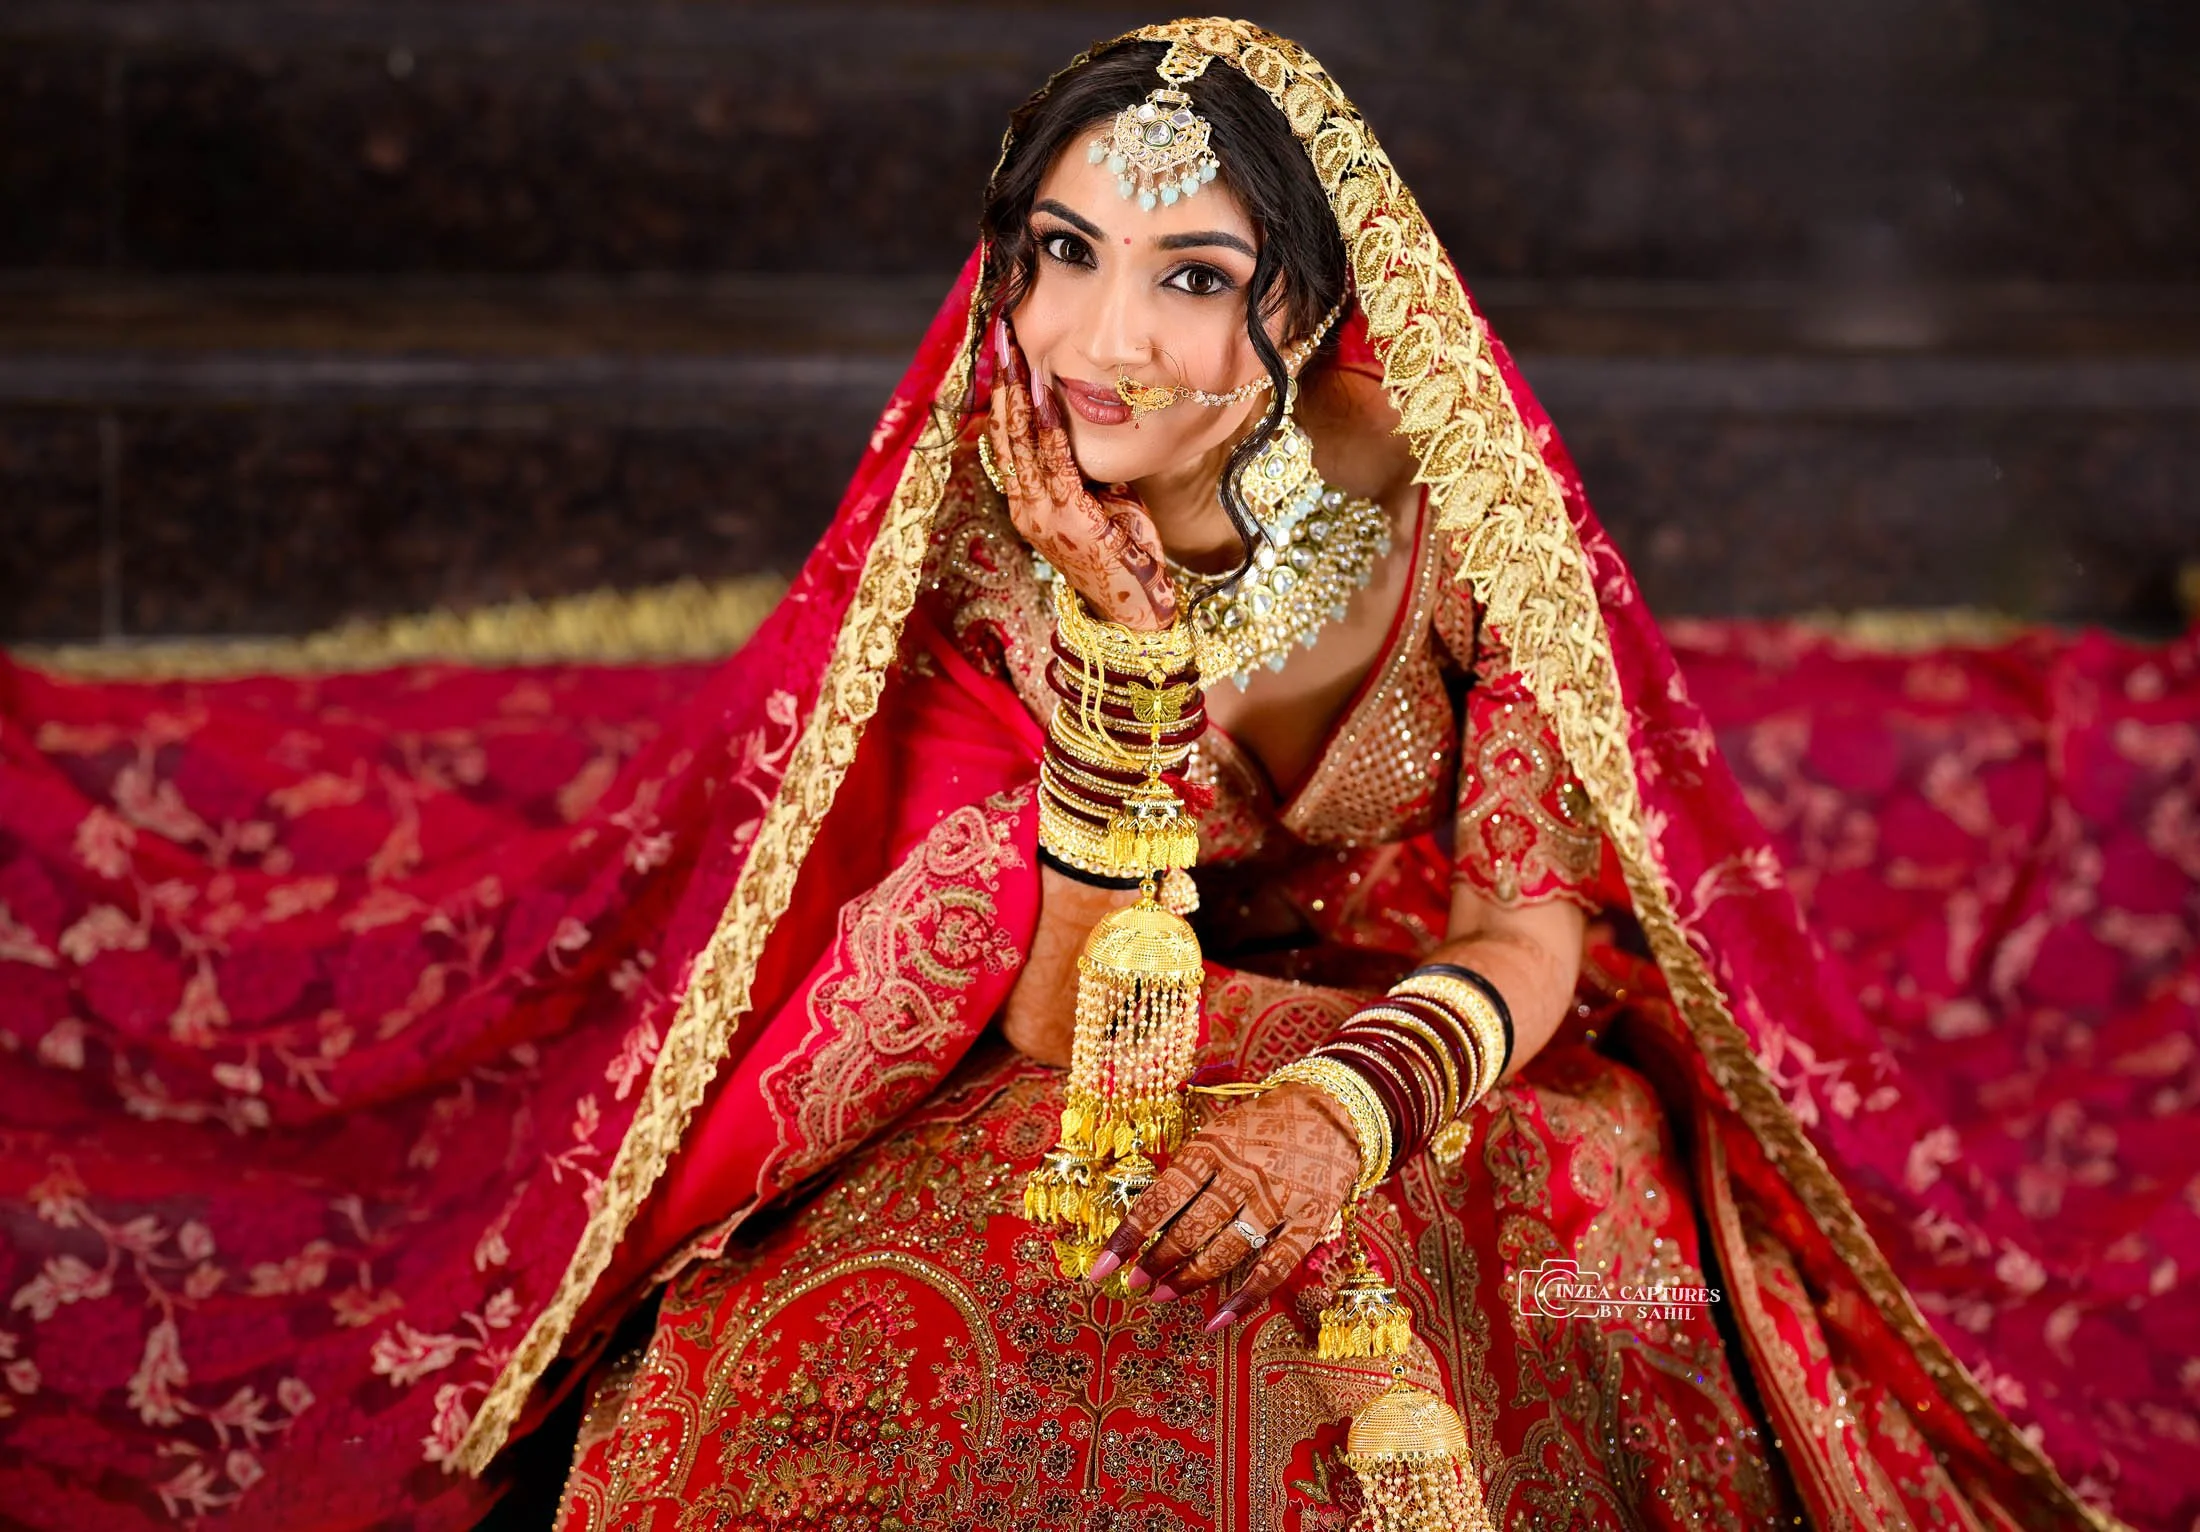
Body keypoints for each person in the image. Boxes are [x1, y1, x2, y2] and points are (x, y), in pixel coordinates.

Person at [0, 19, 2186, 1532]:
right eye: (1057, 254)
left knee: (1563, 1258)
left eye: (1188, 276)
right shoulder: (993, 515)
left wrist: (1343, 1111)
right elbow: (1050, 1000)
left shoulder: (1451, 503)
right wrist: (1128, 668)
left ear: (1303, 312)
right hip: (1088, 1015)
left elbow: (1532, 922)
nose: (1097, 341)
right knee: (992, 1280)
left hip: (1438, 1035)